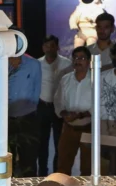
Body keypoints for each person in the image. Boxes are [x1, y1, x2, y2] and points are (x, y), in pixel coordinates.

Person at [54, 47, 93, 176]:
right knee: (63, 166)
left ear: (89, 61)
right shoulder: (65, 79)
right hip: (68, 127)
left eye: (82, 58)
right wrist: (64, 114)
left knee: (87, 168)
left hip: (88, 128)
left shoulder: (96, 80)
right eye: (75, 58)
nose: (78, 61)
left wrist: (79, 115)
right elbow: (58, 101)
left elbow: (99, 104)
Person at [37, 35, 71, 176]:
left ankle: (57, 173)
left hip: (60, 108)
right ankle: (42, 172)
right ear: (43, 48)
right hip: (42, 106)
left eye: (52, 45)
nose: (49, 48)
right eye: (46, 46)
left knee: (59, 143)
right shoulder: (37, 64)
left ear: (58, 47)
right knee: (42, 142)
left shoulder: (67, 64)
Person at [8, 46, 42, 178]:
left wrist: (27, 110)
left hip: (27, 118)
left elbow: (36, 93)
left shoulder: (34, 64)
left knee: (28, 160)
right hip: (5, 119)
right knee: (6, 161)